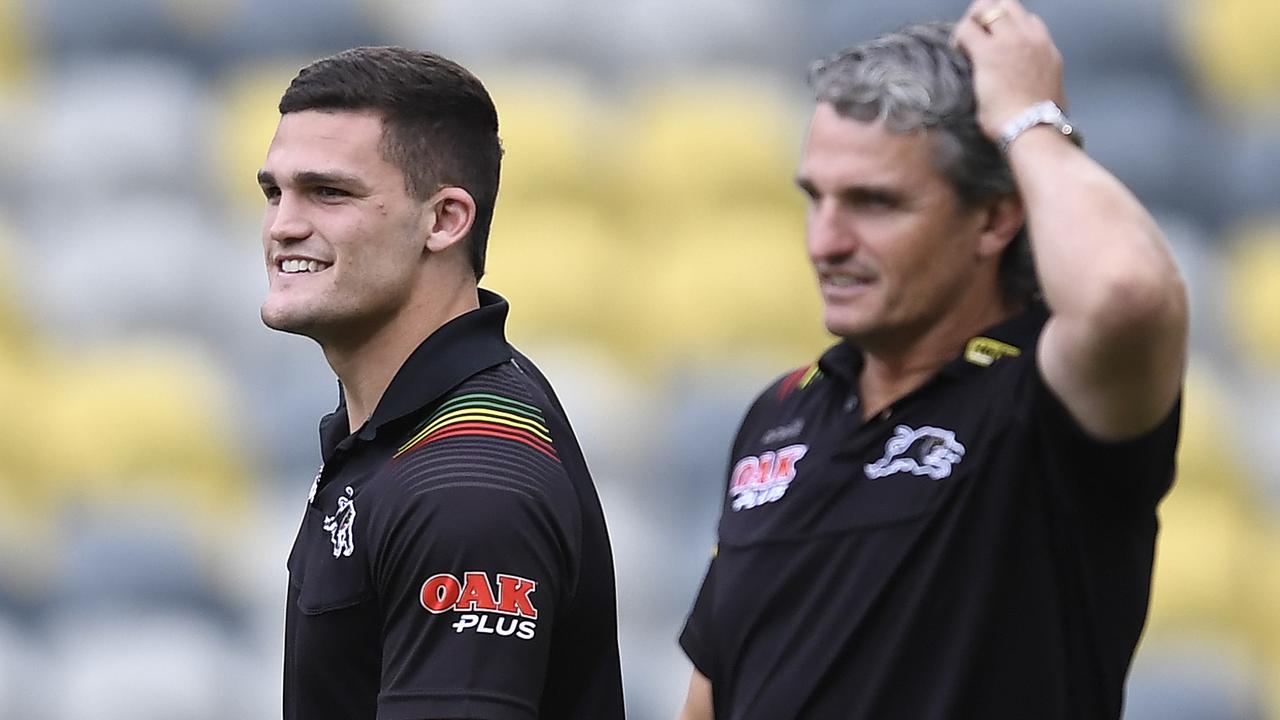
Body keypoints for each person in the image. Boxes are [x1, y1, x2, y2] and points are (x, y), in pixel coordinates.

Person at [677, 2, 1187, 718]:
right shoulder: (780, 413)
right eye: (815, 198)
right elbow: (713, 691)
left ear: (994, 216)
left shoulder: (1044, 397)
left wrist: (1030, 120)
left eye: (872, 203)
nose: (824, 241)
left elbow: (1125, 291)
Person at [257, 46, 625, 720]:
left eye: (328, 192)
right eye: (274, 192)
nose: (283, 226)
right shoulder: (400, 434)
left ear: (446, 220)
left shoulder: (464, 485)